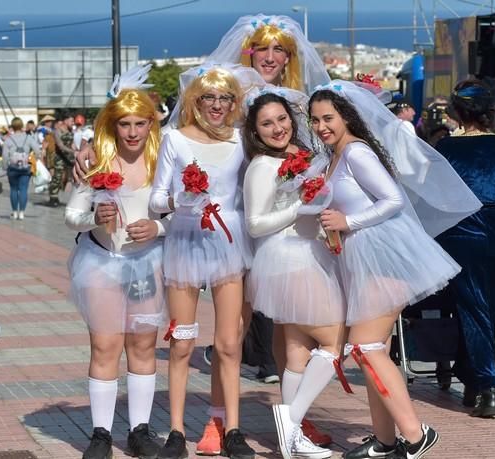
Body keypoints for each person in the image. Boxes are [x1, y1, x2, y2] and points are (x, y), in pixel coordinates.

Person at [180, 13, 333, 452]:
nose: (270, 57)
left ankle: (294, 422)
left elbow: (319, 149)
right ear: (248, 52)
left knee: (292, 335)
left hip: (286, 235)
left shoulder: (297, 104)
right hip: (238, 229)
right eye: (262, 49)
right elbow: (188, 139)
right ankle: (217, 420)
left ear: (289, 56)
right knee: (231, 335)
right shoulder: (229, 97)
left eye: (279, 50)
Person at [308, 80, 481, 459]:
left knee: (365, 347)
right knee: (376, 349)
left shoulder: (355, 152)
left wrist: (348, 221)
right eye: (316, 120)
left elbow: (392, 200)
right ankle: (385, 439)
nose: (322, 126)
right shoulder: (335, 156)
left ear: (347, 116)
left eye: (329, 118)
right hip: (359, 257)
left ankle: (416, 435)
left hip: (382, 256)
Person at [149, 64, 260, 459]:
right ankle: (176, 432)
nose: (216, 105)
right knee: (181, 343)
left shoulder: (241, 140)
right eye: (208, 97)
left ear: (234, 103)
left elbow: (259, 183)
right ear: (195, 101)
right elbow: (156, 199)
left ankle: (232, 429)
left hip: (230, 242)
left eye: (224, 98)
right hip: (185, 243)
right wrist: (181, 200)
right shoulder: (174, 139)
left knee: (230, 345)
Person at [64, 64, 167, 459]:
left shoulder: (162, 163)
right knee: (105, 345)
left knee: (143, 345)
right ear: (112, 124)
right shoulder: (97, 163)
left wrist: (157, 230)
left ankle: (139, 429)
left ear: (150, 124)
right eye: (124, 123)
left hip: (148, 264)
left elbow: (183, 214)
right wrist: (95, 218)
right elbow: (72, 215)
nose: (132, 132)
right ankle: (101, 433)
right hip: (102, 262)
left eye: (140, 123)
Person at [243, 88, 345, 459]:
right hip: (287, 260)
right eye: (267, 123)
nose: (277, 128)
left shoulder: (307, 158)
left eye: (282, 119)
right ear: (255, 131)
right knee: (334, 342)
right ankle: (291, 422)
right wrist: (301, 206)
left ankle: (293, 436)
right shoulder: (261, 166)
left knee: (297, 350)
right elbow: (255, 224)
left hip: (311, 254)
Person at [434, 79, 495, 417]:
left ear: (456, 111)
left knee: (472, 308)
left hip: (461, 231)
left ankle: (485, 384)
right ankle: (473, 378)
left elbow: (436, 193)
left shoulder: (446, 148)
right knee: (489, 309)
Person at [2, 117, 42, 220]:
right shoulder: (28, 138)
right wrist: (34, 160)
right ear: (22, 125)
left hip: (12, 168)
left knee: (14, 189)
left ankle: (15, 212)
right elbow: (38, 151)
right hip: (25, 167)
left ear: (12, 126)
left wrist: (5, 167)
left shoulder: (8, 140)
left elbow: (5, 155)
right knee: (23, 189)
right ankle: (22, 213)